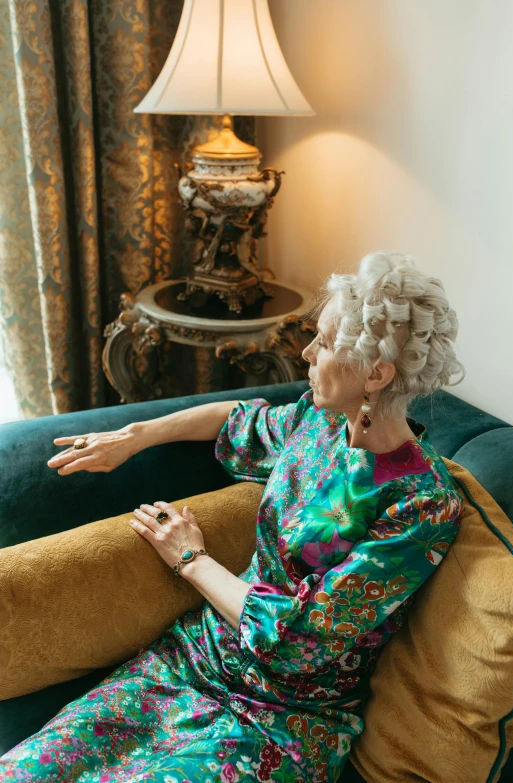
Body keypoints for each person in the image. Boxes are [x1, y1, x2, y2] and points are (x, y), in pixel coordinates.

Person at [0, 251, 466, 783]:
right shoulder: (316, 423)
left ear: (376, 374)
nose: (308, 352)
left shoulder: (421, 503)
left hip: (285, 721)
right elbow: (236, 420)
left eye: (327, 342)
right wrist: (137, 436)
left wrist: (192, 560)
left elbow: (300, 639)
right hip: (193, 658)